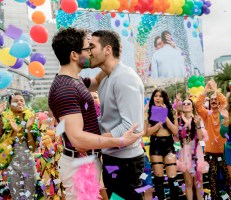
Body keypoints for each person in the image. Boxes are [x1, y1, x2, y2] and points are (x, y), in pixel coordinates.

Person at [49, 27, 143, 200]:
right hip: (82, 163)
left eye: (92, 47)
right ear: (74, 55)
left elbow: (98, 80)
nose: (90, 53)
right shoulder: (66, 87)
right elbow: (78, 140)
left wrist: (111, 57)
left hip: (110, 162)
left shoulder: (77, 80)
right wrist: (118, 140)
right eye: (87, 48)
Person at [89, 30, 145, 199]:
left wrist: (92, 142)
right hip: (112, 160)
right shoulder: (106, 77)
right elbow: (109, 120)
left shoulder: (124, 78)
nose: (88, 51)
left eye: (92, 46)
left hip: (126, 165)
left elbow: (131, 127)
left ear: (107, 49)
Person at [0, 92, 39, 200]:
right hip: (12, 164)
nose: (19, 102)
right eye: (15, 101)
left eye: (21, 100)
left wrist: (27, 129)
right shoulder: (6, 119)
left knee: (30, 197)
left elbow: (32, 148)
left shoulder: (31, 119)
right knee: (16, 197)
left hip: (29, 163)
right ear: (10, 105)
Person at [195, 80, 231, 200]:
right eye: (211, 99)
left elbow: (225, 102)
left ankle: (229, 198)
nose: (214, 100)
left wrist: (216, 91)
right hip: (211, 152)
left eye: (216, 99)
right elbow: (197, 106)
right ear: (209, 103)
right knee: (212, 178)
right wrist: (206, 91)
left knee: (228, 179)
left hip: (225, 151)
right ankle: (216, 198)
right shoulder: (207, 114)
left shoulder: (225, 112)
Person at [144, 89, 178, 200]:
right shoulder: (149, 112)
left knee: (172, 178)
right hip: (155, 145)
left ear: (164, 98)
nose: (158, 98)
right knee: (158, 179)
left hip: (168, 144)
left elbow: (175, 131)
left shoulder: (172, 111)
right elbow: (146, 133)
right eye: (156, 96)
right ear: (153, 98)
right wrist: (158, 124)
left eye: (160, 96)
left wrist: (165, 116)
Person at [177, 99, 209, 200]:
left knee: (198, 182)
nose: (186, 105)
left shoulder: (197, 119)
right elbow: (177, 137)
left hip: (196, 152)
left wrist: (198, 125)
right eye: (184, 104)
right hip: (184, 153)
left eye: (188, 104)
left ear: (192, 107)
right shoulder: (178, 120)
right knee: (188, 183)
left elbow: (200, 138)